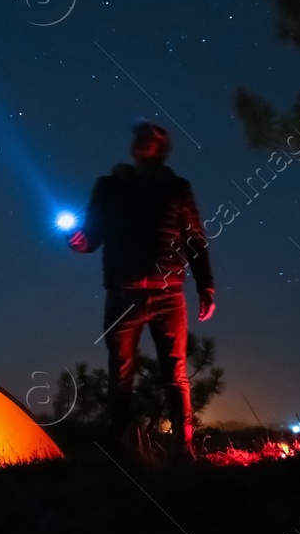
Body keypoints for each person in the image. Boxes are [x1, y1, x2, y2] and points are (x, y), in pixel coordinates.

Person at [68, 122, 214, 458]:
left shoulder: (177, 189)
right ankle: (119, 445)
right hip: (124, 293)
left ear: (162, 147)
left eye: (151, 137)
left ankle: (185, 446)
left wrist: (206, 286)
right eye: (138, 136)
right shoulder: (108, 187)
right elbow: (93, 236)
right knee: (120, 371)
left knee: (175, 372)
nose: (141, 141)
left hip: (168, 295)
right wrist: (79, 241)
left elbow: (194, 239)